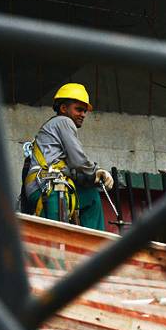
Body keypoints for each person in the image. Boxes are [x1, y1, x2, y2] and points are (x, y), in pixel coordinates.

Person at [21, 83, 113, 230]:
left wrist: (91, 178)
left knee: (91, 197)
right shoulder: (64, 121)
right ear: (63, 108)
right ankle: (95, 247)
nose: (83, 114)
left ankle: (90, 245)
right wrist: (95, 171)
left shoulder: (54, 129)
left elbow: (73, 169)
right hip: (48, 187)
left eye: (84, 111)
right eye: (79, 109)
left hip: (42, 186)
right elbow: (78, 161)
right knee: (57, 239)